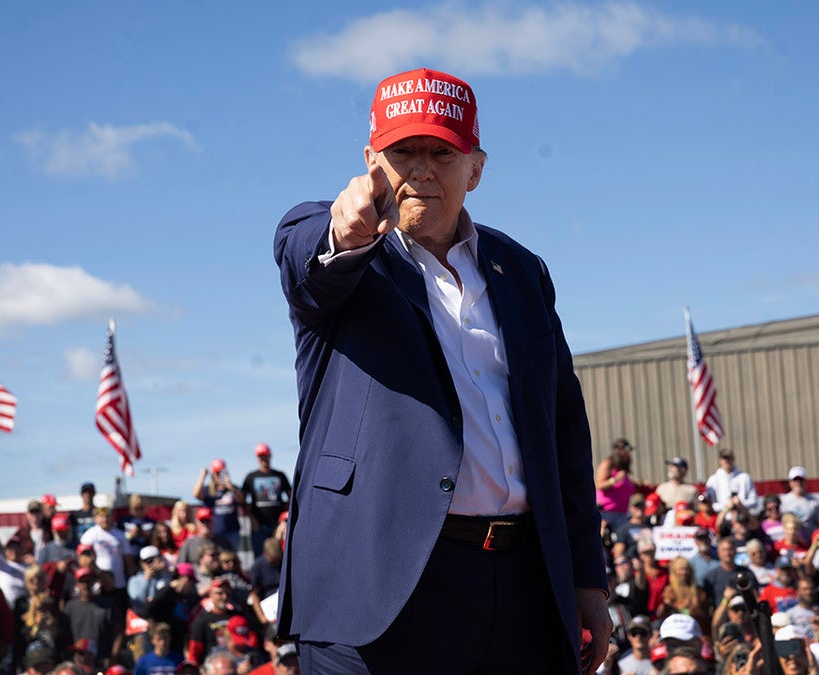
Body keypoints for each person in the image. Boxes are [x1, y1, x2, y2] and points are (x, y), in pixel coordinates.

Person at [272, 67, 609, 673]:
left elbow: (563, 426)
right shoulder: (338, 246)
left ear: (475, 168)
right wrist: (342, 235)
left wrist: (586, 576)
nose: (422, 170)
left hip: (524, 583)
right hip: (379, 589)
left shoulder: (523, 270)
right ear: (372, 160)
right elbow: (306, 265)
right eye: (404, 152)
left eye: (442, 153)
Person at [241, 442, 292, 556]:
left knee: (280, 554)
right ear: (257, 458)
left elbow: (291, 496)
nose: (263, 458)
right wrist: (251, 519)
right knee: (260, 555)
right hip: (259, 525)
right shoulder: (251, 477)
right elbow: (242, 501)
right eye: (260, 456)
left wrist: (284, 518)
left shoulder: (280, 475)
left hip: (278, 524)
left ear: (270, 455)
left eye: (265, 455)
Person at [596, 438, 639, 537]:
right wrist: (614, 480)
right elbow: (599, 485)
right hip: (608, 513)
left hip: (622, 513)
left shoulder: (622, 467)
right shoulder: (608, 464)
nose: (628, 454)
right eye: (625, 450)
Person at [705, 448, 759, 517]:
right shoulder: (713, 480)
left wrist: (740, 504)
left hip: (743, 518)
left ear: (733, 459)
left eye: (729, 458)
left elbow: (754, 501)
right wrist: (727, 506)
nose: (727, 461)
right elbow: (710, 505)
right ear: (720, 460)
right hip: (723, 519)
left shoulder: (745, 477)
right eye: (724, 458)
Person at [780, 466, 819, 532]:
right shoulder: (782, 501)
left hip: (809, 540)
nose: (798, 483)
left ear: (805, 481)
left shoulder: (814, 502)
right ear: (790, 482)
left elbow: (817, 523)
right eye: (795, 480)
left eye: (801, 480)